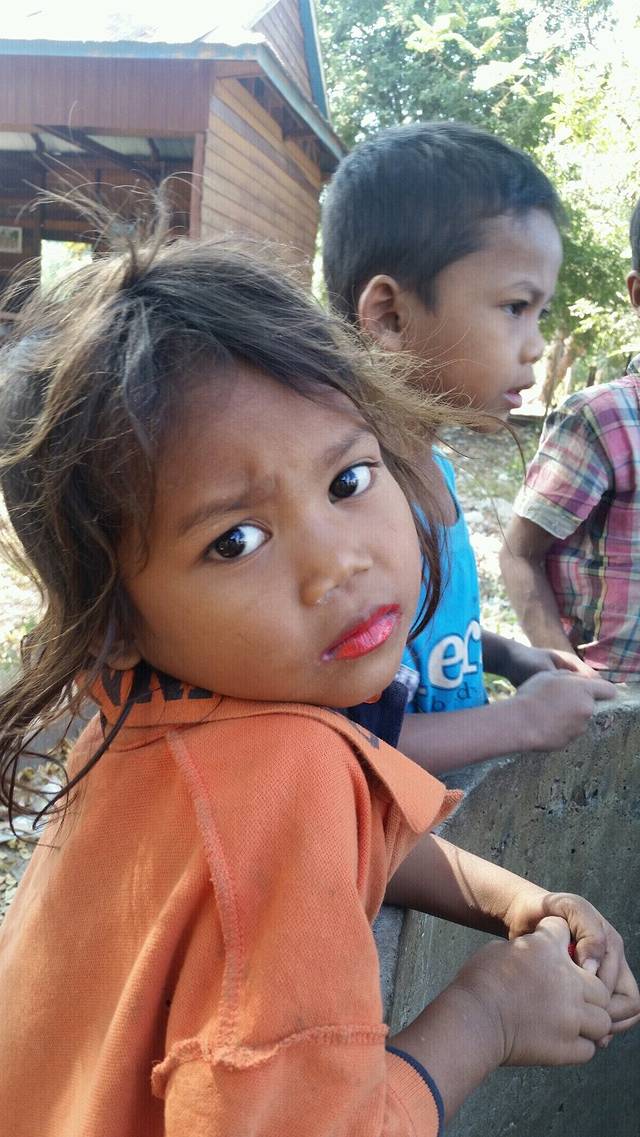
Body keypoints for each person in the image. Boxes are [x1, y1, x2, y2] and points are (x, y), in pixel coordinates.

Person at [0, 214, 638, 1137]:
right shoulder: (280, 774)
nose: (337, 563)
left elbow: (336, 835)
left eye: (347, 481)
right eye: (235, 540)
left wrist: (511, 898)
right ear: (114, 624)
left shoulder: (158, 717)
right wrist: (490, 1011)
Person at [321, 120, 612, 775]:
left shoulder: (434, 470)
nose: (536, 345)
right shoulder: (345, 503)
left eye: (540, 313)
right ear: (390, 316)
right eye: (516, 307)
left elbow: (417, 636)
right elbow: (343, 743)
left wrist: (504, 655)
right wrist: (520, 720)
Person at [500, 196, 640, 682]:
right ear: (638, 293)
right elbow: (519, 554)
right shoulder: (603, 419)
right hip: (614, 702)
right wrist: (573, 679)